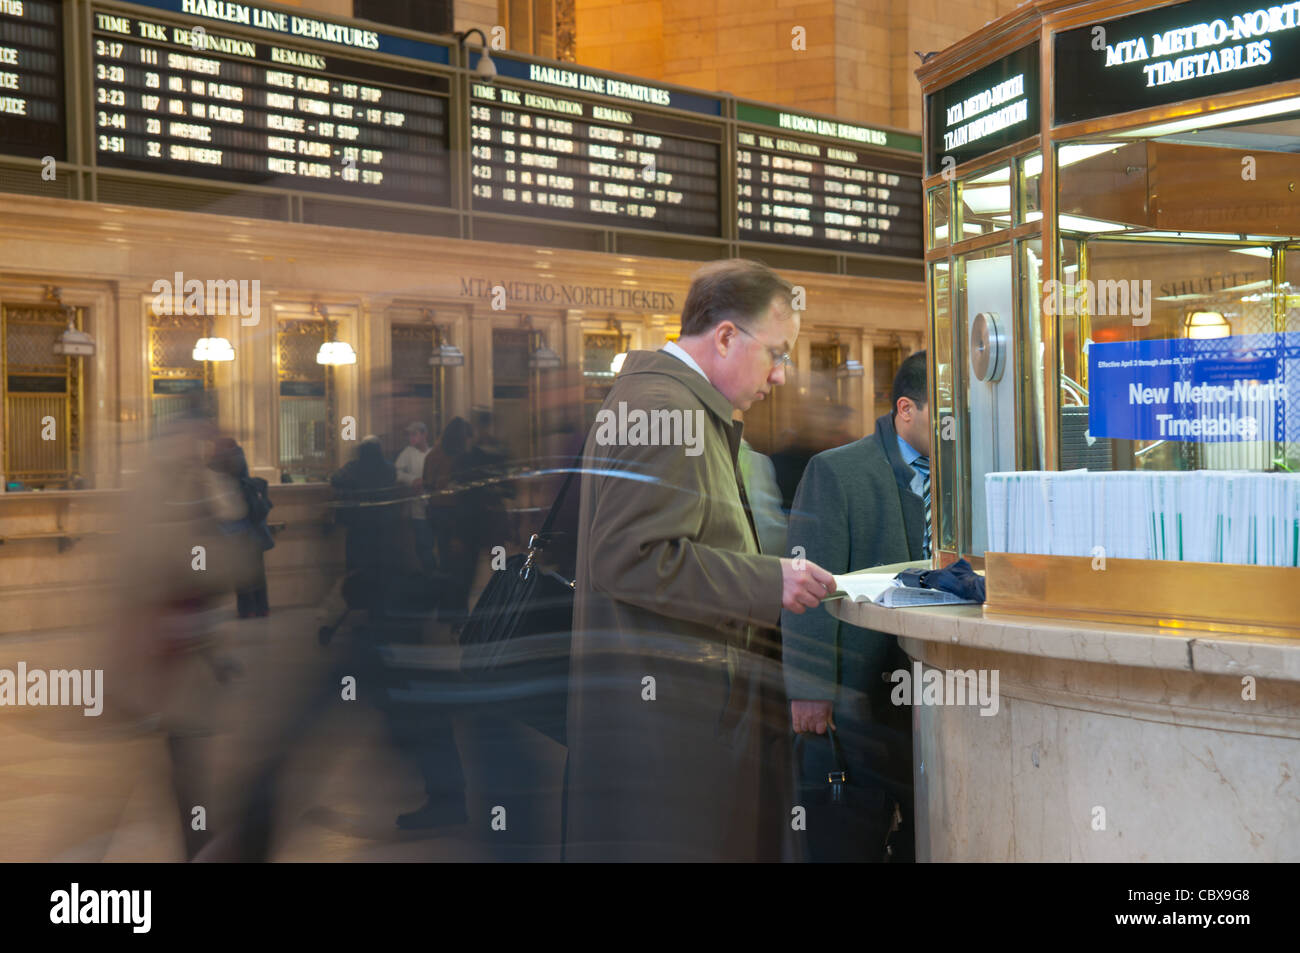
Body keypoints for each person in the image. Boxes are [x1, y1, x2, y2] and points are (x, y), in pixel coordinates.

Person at [564, 258, 836, 862]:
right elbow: (629, 558)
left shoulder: (672, 402)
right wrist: (773, 580)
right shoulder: (672, 411)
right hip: (668, 735)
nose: (782, 376)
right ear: (725, 337)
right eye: (777, 353)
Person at [781, 350, 930, 862]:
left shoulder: (963, 471)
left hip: (937, 692)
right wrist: (808, 690)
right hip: (862, 696)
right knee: (856, 830)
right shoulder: (837, 471)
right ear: (906, 410)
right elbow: (805, 588)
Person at [208, 437, 273, 618]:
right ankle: (262, 607)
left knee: (241, 572)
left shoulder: (218, 464)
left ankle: (246, 609)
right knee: (257, 570)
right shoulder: (240, 461)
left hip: (233, 528)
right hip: (252, 527)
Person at [394, 421, 435, 576]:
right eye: (409, 434)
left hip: (435, 506)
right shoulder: (408, 453)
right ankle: (430, 575)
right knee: (423, 544)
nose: (411, 438)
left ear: (424, 435)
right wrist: (412, 480)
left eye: (414, 434)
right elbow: (396, 473)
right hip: (417, 507)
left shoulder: (433, 453)